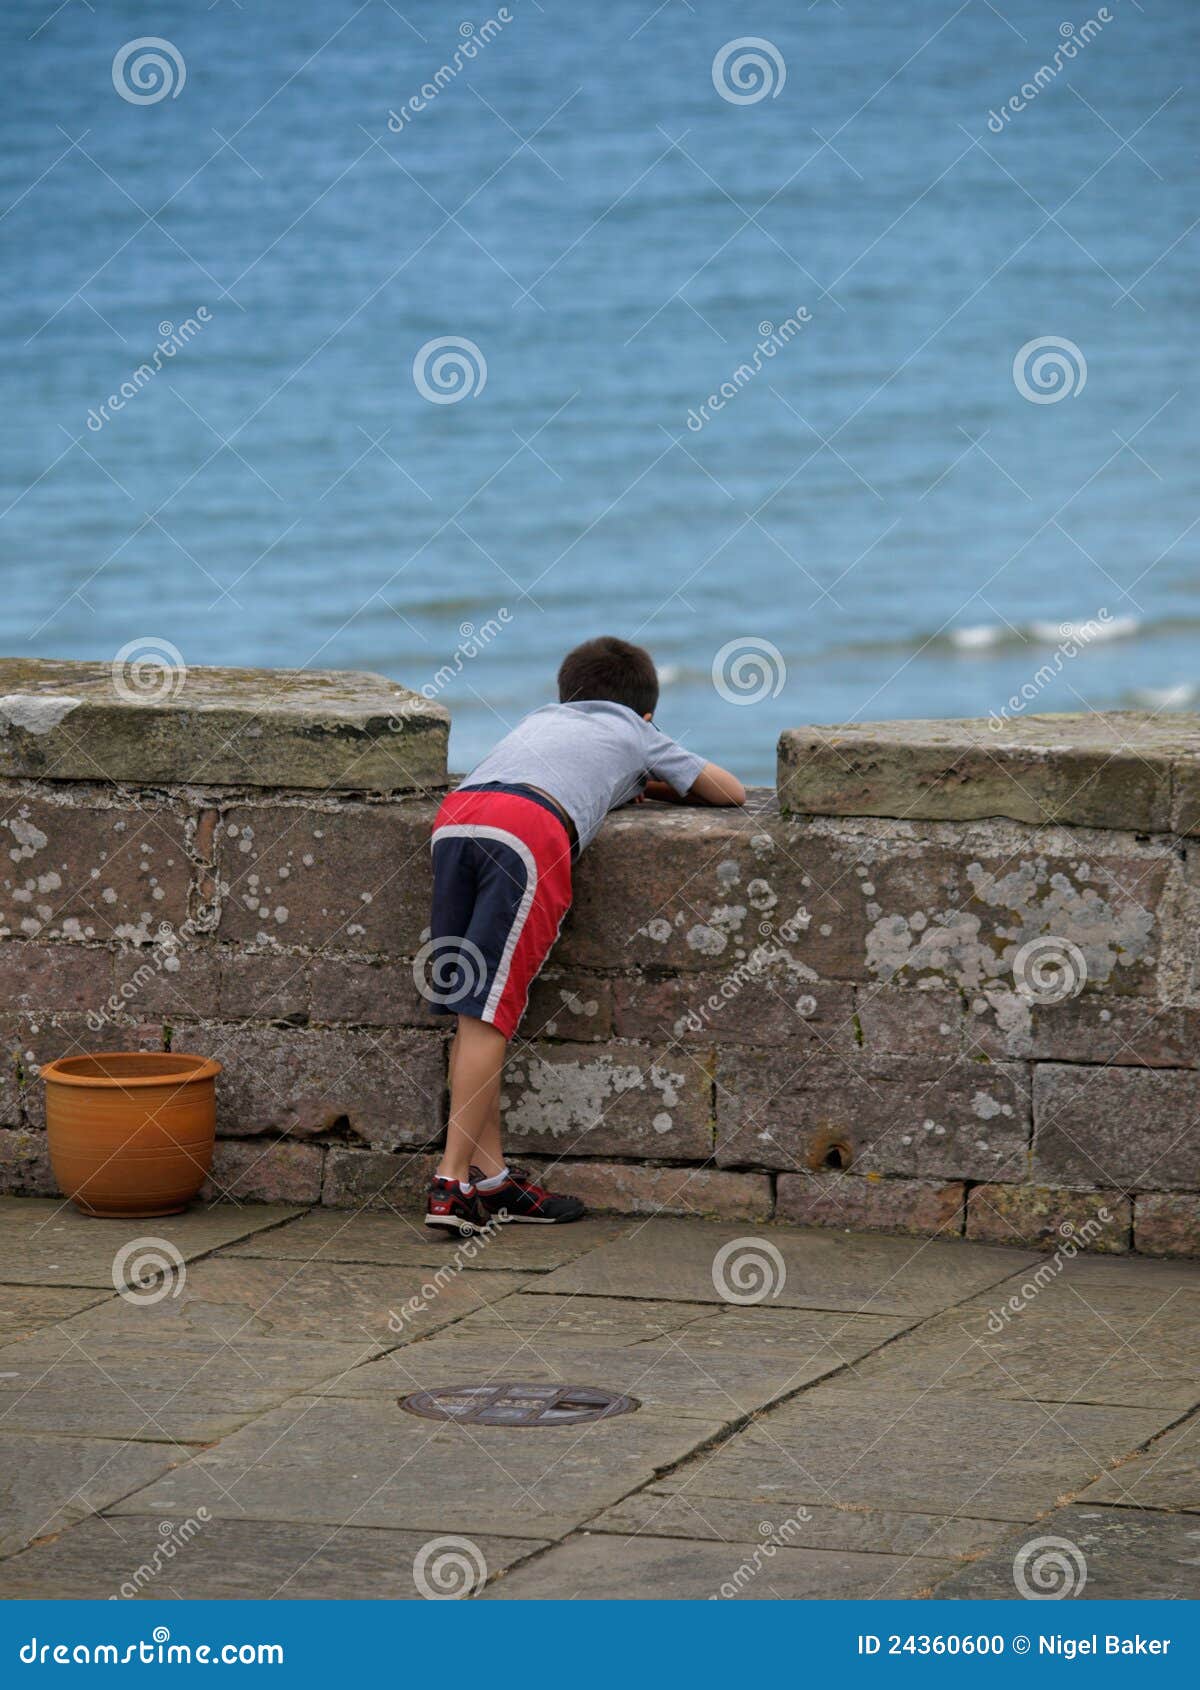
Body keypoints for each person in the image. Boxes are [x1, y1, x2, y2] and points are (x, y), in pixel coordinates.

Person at [423, 635, 746, 1234]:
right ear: (645, 712)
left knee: (473, 1009)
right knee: (492, 1014)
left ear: (565, 693)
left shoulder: (539, 718)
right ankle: (449, 1185)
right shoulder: (637, 729)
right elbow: (730, 792)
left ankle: (490, 1180)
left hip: (456, 818)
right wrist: (648, 776)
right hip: (527, 831)